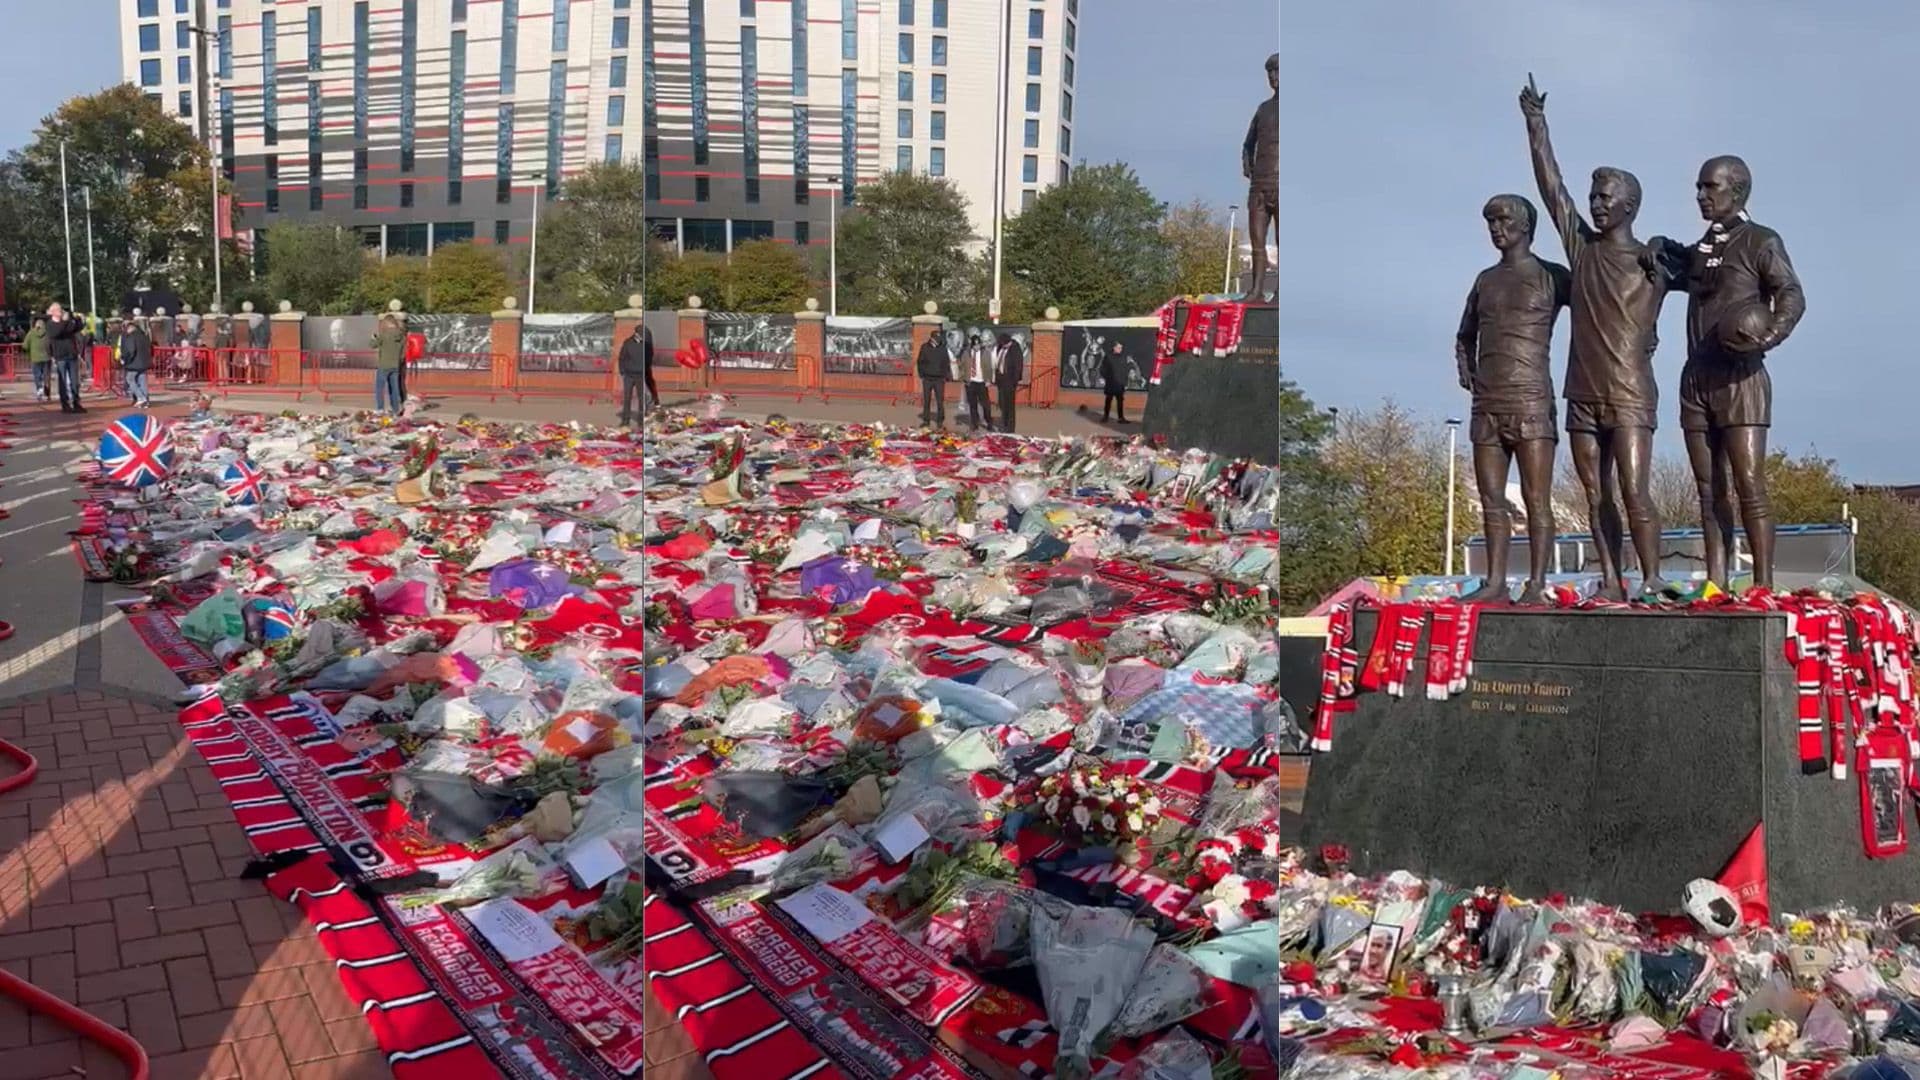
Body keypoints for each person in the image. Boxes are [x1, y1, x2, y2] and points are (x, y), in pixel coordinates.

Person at [1521, 75, 1675, 600]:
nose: (1595, 204)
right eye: (1593, 196)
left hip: (1630, 393)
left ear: (1629, 205)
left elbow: (1707, 267)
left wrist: (1662, 244)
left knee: (1635, 491)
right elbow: (1551, 188)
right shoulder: (1581, 249)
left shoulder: (1653, 261)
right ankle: (1612, 580)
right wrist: (1536, 124)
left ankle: (1652, 578)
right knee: (1595, 494)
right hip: (1581, 394)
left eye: (1606, 197)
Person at [1647, 156, 1805, 591]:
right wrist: (1659, 245)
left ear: (1737, 192)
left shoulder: (1761, 240)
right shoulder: (1702, 250)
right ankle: (1716, 582)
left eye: (1709, 188)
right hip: (1696, 379)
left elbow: (1790, 293)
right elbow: (1672, 266)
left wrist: (1769, 336)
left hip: (1742, 379)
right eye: (1698, 187)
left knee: (1749, 483)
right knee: (1707, 488)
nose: (1701, 196)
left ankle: (1762, 587)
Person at [1455, 194, 1571, 605]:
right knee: (1491, 501)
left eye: (1502, 220)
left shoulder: (1553, 276)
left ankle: (1538, 582)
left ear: (1525, 225)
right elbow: (1465, 334)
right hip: (1487, 406)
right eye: (1490, 222)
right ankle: (1495, 581)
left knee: (1537, 500)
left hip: (1532, 403)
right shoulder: (1485, 280)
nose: (1495, 229)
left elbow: (1601, 310)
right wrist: (1467, 370)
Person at [45, 303, 86, 414]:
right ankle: (65, 404)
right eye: (58, 310)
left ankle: (76, 402)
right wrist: (65, 321)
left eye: (61, 310)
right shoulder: (50, 324)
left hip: (71, 355)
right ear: (53, 312)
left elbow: (77, 328)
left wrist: (77, 319)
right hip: (60, 356)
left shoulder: (66, 323)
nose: (61, 311)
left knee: (75, 381)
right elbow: (56, 333)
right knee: (62, 381)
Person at [370, 312, 406, 415]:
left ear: (386, 323)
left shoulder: (383, 335)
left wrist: (373, 338)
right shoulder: (402, 336)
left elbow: (372, 345)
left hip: (384, 365)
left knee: (379, 388)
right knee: (394, 388)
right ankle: (395, 409)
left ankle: (380, 408)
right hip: (396, 365)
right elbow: (403, 354)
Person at [915, 331, 952, 426]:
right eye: (936, 339)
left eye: (939, 339)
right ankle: (926, 420)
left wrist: (946, 375)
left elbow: (946, 362)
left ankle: (940, 421)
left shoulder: (943, 348)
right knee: (926, 400)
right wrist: (922, 374)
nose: (938, 341)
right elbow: (920, 362)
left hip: (939, 379)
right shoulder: (925, 347)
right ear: (932, 338)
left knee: (940, 400)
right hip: (927, 378)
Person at [960, 333, 995, 431]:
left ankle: (989, 422)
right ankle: (974, 423)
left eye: (978, 345)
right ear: (972, 345)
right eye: (975, 345)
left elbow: (989, 368)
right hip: (971, 382)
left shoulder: (985, 353)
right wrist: (963, 377)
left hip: (982, 382)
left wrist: (988, 380)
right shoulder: (966, 353)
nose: (977, 347)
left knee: (985, 404)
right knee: (973, 405)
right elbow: (962, 365)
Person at [617, 322, 650, 427]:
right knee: (627, 398)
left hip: (641, 375)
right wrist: (622, 371)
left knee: (642, 398)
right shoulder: (627, 343)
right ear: (636, 333)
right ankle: (625, 420)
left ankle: (641, 421)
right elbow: (622, 358)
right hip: (629, 375)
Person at [993, 332, 1024, 433]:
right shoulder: (1000, 348)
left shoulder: (1015, 349)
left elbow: (1018, 366)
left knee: (1009, 405)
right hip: (1001, 380)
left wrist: (1014, 381)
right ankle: (1004, 424)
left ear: (1008, 342)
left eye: (1004, 344)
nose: (1002, 346)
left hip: (1009, 380)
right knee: (1002, 404)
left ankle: (1010, 428)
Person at [118, 317, 153, 408]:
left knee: (130, 379)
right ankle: (146, 400)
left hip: (134, 363)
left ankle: (141, 398)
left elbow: (131, 350)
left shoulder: (131, 337)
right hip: (144, 362)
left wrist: (125, 360)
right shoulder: (144, 336)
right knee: (142, 381)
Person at [1100, 341, 1132, 423]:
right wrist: (1107, 378)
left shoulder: (1123, 357)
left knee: (1120, 401)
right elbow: (1102, 369)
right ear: (1114, 348)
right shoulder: (1108, 357)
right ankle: (1105, 417)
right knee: (1108, 400)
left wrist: (1125, 382)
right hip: (1111, 382)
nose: (1120, 349)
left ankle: (1121, 418)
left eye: (1121, 348)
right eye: (1118, 347)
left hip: (1120, 383)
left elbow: (1125, 370)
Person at [22, 317, 48, 401]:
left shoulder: (31, 333)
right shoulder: (47, 333)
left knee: (37, 375)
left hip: (35, 357)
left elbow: (25, 345)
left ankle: (39, 389)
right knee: (46, 375)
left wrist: (29, 351)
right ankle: (47, 392)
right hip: (46, 357)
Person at [641, 323, 659, 411]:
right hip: (645, 361)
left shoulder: (642, 331)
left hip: (643, 361)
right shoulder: (645, 330)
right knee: (649, 381)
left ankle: (650, 403)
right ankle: (654, 402)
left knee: (645, 383)